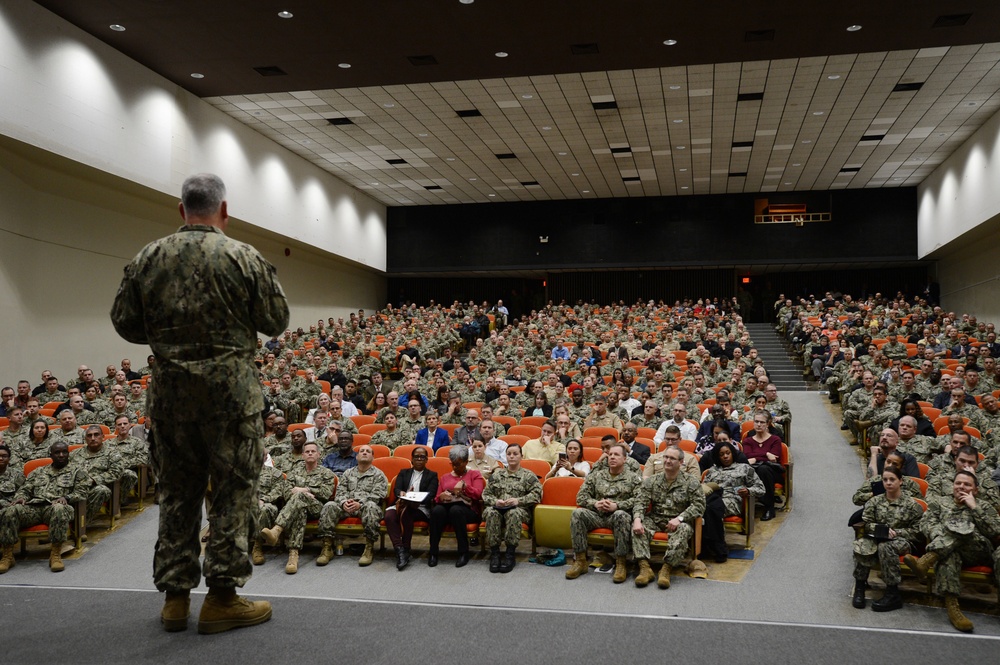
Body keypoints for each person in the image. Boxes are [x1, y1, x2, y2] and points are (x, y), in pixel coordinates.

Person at [111, 173, 289, 633]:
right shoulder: (243, 256)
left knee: (176, 494)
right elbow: (275, 320)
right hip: (231, 401)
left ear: (181, 210)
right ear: (224, 211)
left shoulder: (147, 257)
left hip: (171, 399)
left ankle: (174, 599)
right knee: (232, 494)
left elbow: (126, 324)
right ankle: (222, 599)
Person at [904, 470, 1000, 632]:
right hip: (951, 551)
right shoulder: (939, 503)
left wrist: (974, 507)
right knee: (949, 554)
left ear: (975, 490)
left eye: (967, 484)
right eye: (958, 483)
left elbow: (995, 531)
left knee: (962, 530)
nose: (961, 486)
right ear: (952, 486)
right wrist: (940, 535)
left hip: (979, 551)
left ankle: (927, 560)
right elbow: (926, 524)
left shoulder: (983, 505)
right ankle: (953, 609)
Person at [0, 441, 88, 573]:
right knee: (10, 510)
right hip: (35, 507)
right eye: (57, 452)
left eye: (64, 452)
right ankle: (7, 556)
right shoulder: (39, 471)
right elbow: (25, 489)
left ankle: (55, 555)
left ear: (68, 454)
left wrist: (67, 498)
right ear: (51, 454)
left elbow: (82, 492)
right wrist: (21, 497)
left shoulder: (77, 471)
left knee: (59, 509)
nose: (61, 455)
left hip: (58, 508)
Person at [565, 444, 643, 583]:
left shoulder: (633, 478)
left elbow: (639, 500)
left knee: (622, 515)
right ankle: (580, 561)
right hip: (597, 515)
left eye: (616, 455)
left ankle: (621, 563)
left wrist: (617, 505)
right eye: (610, 454)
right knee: (578, 514)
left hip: (617, 517)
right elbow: (581, 497)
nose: (612, 457)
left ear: (625, 459)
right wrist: (595, 503)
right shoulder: (597, 475)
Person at [632, 444, 706, 589]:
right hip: (656, 518)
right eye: (665, 457)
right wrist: (637, 519)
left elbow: (699, 506)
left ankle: (666, 569)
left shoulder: (690, 482)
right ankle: (644, 567)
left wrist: (680, 518)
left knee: (684, 529)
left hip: (677, 521)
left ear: (681, 462)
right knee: (638, 524)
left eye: (672, 458)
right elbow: (640, 502)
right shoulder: (652, 481)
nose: (667, 461)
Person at [851, 465, 924, 611]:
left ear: (901, 481)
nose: (888, 483)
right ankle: (860, 587)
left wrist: (896, 533)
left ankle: (892, 593)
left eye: (892, 479)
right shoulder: (875, 501)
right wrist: (881, 530)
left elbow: (918, 531)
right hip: (877, 536)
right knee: (863, 544)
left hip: (902, 541)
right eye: (885, 480)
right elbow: (867, 523)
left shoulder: (911, 505)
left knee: (886, 546)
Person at [260, 441, 337, 574]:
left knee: (299, 496)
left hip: (317, 508)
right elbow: (285, 492)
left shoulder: (327, 473)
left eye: (313, 451)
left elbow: (326, 493)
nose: (310, 453)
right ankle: (293, 554)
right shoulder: (294, 472)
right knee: (300, 508)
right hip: (297, 507)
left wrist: (305, 489)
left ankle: (277, 530)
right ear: (302, 455)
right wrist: (303, 493)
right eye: (307, 452)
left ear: (319, 454)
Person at [317, 444, 388, 567]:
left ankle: (369, 548)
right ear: (357, 456)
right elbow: (340, 491)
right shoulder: (348, 473)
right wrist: (344, 502)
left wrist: (360, 503)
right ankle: (327, 547)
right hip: (346, 506)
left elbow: (379, 494)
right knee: (329, 505)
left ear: (372, 457)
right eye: (362, 451)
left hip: (364, 507)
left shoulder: (378, 474)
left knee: (371, 507)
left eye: (368, 451)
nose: (364, 453)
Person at [481, 444, 542, 573]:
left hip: (519, 509)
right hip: (497, 507)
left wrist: (518, 501)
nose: (512, 456)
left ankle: (510, 553)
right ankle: (495, 553)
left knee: (512, 513)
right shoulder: (497, 475)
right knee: (491, 513)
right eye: (509, 454)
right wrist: (495, 501)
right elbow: (486, 494)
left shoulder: (528, 475)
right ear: (505, 456)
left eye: (515, 454)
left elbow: (537, 494)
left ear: (521, 456)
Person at [702, 440, 764, 563]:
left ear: (732, 453)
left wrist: (748, 490)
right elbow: (704, 487)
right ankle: (715, 546)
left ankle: (712, 547)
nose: (725, 456)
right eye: (721, 454)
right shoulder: (712, 470)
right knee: (706, 507)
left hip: (732, 500)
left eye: (727, 453)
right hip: (712, 498)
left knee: (711, 509)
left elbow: (761, 488)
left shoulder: (744, 468)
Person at [428, 445, 485, 567]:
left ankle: (463, 552)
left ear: (465, 462)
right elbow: (437, 498)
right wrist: (441, 497)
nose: (455, 467)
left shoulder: (474, 475)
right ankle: (433, 552)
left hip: (468, 511)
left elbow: (478, 495)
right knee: (437, 511)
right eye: (452, 464)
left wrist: (465, 486)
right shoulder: (445, 477)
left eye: (458, 464)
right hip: (447, 508)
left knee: (456, 510)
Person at [384, 447, 438, 570]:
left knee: (407, 513)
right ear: (412, 460)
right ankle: (400, 550)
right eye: (416, 457)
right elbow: (397, 489)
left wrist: (416, 499)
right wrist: (401, 493)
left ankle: (406, 548)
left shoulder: (432, 475)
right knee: (389, 516)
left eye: (422, 457)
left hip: (421, 507)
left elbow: (432, 494)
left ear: (426, 460)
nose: (419, 459)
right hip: (402, 503)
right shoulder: (404, 472)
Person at [69, 425, 125, 526]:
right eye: (89, 436)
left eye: (96, 435)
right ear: (85, 439)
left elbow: (116, 472)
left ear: (103, 437)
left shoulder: (112, 453)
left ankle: (80, 526)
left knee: (101, 490)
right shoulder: (74, 454)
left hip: (95, 487)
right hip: (74, 487)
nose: (93, 438)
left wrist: (94, 480)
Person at [739, 410, 783, 521]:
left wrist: (756, 457)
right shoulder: (748, 440)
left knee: (763, 469)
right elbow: (747, 456)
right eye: (756, 421)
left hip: (772, 472)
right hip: (753, 471)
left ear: (767, 424)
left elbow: (775, 457)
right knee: (754, 469)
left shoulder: (775, 439)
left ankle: (769, 508)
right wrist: (766, 454)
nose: (758, 424)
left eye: (762, 422)